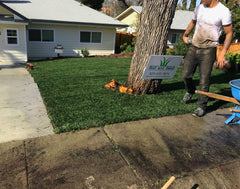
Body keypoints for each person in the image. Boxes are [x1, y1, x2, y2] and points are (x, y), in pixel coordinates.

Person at [181, 0, 233, 117]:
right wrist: (185, 35)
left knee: (204, 80)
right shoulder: (199, 8)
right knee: (185, 74)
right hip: (194, 46)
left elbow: (229, 33)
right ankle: (190, 90)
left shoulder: (223, 11)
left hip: (209, 50)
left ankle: (201, 106)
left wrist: (222, 53)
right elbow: (193, 22)